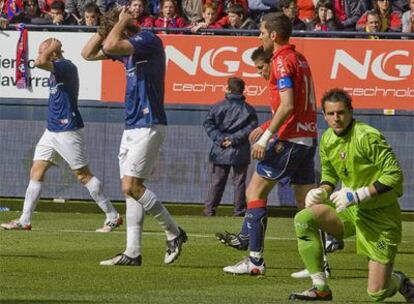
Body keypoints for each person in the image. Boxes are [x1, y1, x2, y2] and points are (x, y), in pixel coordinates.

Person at [81, 7, 187, 266]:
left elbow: (113, 43)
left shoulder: (147, 40)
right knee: (130, 192)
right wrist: (104, 28)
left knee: (132, 186)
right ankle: (133, 252)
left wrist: (120, 23)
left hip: (149, 122)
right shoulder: (125, 47)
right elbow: (87, 54)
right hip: (132, 125)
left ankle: (174, 232)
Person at [289, 88, 414, 301]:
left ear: (350, 111)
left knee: (377, 293)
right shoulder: (327, 139)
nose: (336, 118)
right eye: (330, 114)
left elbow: (393, 176)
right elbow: (329, 176)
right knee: (304, 218)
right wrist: (321, 191)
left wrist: (358, 195)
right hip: (351, 211)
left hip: (380, 218)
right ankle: (320, 287)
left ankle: (400, 280)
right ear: (324, 115)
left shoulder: (368, 136)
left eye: (341, 112)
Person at [222, 13, 318, 276]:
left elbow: (287, 105)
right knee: (306, 201)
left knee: (254, 193)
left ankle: (254, 260)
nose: (259, 36)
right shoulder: (300, 57)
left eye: (262, 32)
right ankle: (319, 264)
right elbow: (298, 104)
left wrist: (266, 138)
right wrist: (265, 128)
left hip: (290, 139)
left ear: (273, 35)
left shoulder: (282, 61)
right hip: (307, 137)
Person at [0, 38, 122, 233]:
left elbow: (40, 62)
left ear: (54, 52)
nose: (39, 56)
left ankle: (112, 216)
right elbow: (42, 61)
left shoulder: (66, 66)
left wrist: (51, 49)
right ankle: (24, 220)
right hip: (51, 131)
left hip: (67, 129)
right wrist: (49, 51)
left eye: (42, 51)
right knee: (36, 172)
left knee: (83, 176)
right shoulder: (56, 67)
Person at [203, 77, 258, 217]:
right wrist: (233, 140)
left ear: (228, 88)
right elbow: (251, 128)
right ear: (242, 90)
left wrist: (221, 139)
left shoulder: (217, 107)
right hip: (240, 150)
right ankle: (239, 211)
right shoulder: (249, 110)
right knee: (239, 182)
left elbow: (208, 125)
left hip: (220, 150)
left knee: (217, 182)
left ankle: (209, 210)